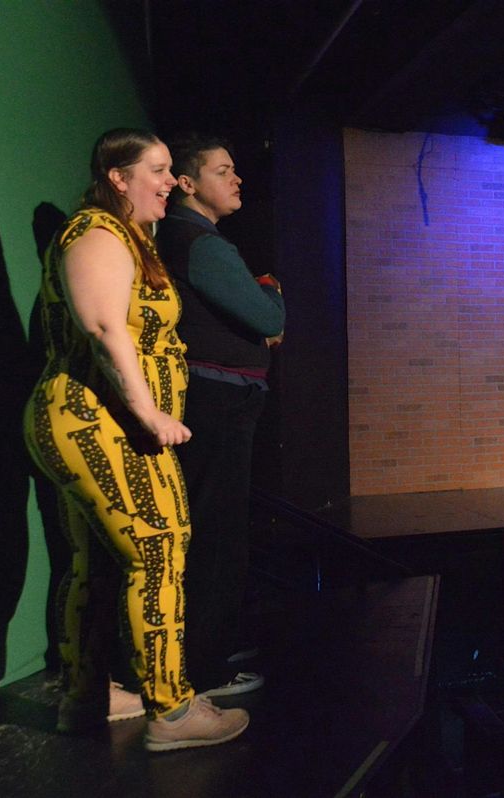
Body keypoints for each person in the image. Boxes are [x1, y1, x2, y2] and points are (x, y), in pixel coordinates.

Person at [23, 128, 249, 751]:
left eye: (173, 169)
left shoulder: (127, 235)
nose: (171, 182)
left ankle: (87, 695)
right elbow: (103, 326)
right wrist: (150, 415)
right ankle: (172, 712)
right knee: (161, 546)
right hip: (99, 419)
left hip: (96, 418)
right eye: (159, 169)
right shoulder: (98, 231)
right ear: (118, 177)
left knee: (92, 560)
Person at [156, 134, 283, 698]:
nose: (237, 180)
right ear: (188, 183)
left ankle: (205, 649)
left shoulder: (186, 239)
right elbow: (267, 317)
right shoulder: (201, 243)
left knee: (214, 530)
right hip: (220, 401)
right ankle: (205, 669)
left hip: (214, 399)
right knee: (219, 534)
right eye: (223, 171)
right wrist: (271, 292)